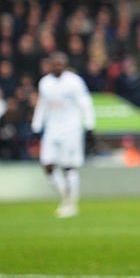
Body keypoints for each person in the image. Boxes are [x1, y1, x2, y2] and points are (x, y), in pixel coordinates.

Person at [30, 52, 95, 218]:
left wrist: (89, 126)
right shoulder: (44, 83)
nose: (57, 66)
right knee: (47, 165)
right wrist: (36, 127)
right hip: (52, 128)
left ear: (65, 65)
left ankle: (72, 203)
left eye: (60, 63)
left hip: (71, 129)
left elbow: (85, 104)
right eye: (54, 63)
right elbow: (42, 106)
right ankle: (65, 198)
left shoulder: (74, 82)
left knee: (68, 166)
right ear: (50, 65)